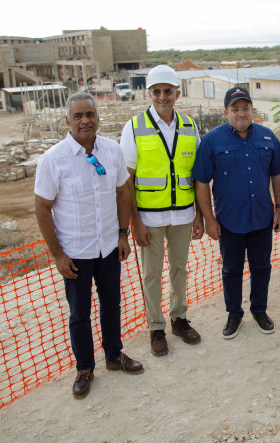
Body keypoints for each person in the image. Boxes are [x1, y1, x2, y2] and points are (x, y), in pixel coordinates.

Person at [34, 92, 143, 400]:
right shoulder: (53, 159)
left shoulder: (112, 151)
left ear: (98, 117)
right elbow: (42, 208)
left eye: (90, 114)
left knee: (112, 304)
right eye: (78, 116)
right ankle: (84, 368)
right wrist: (58, 254)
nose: (85, 120)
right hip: (75, 254)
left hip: (108, 247)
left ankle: (114, 355)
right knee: (79, 314)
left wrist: (123, 234)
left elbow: (123, 193)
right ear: (67, 121)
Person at [120, 65, 203, 356]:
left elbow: (198, 176)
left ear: (177, 93)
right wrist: (135, 223)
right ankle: (156, 327)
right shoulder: (134, 127)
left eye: (168, 91)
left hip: (183, 215)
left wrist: (199, 216)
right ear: (149, 94)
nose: (162, 97)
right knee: (152, 274)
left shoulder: (190, 126)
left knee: (180, 269)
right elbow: (126, 182)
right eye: (157, 91)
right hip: (149, 218)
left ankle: (179, 318)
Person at [193, 87, 280, 339]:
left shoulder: (267, 137)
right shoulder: (212, 141)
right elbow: (201, 181)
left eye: (245, 108)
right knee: (231, 269)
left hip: (262, 219)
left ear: (252, 110)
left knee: (261, 267)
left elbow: (277, 174)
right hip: (229, 221)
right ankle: (234, 314)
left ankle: (259, 310)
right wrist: (209, 219)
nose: (241, 113)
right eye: (235, 109)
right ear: (226, 112)